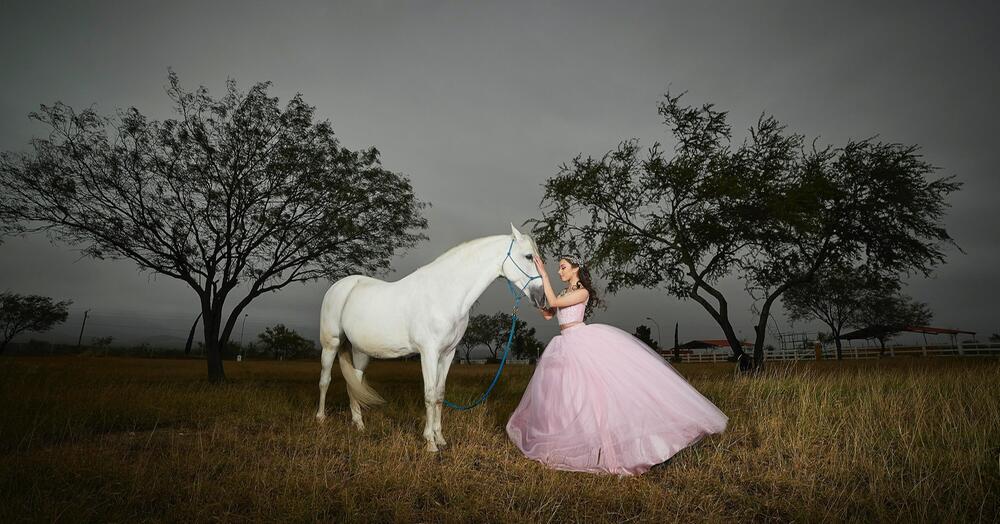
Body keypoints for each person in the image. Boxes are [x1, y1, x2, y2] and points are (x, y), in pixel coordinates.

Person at [505, 254, 728, 476]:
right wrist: (534, 294)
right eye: (558, 269)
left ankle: (621, 441)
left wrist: (543, 274)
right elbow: (548, 312)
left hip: (581, 341)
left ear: (575, 269)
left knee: (597, 393)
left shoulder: (582, 292)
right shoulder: (564, 292)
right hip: (564, 344)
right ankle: (577, 438)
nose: (559, 271)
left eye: (563, 267)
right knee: (569, 394)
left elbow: (554, 302)